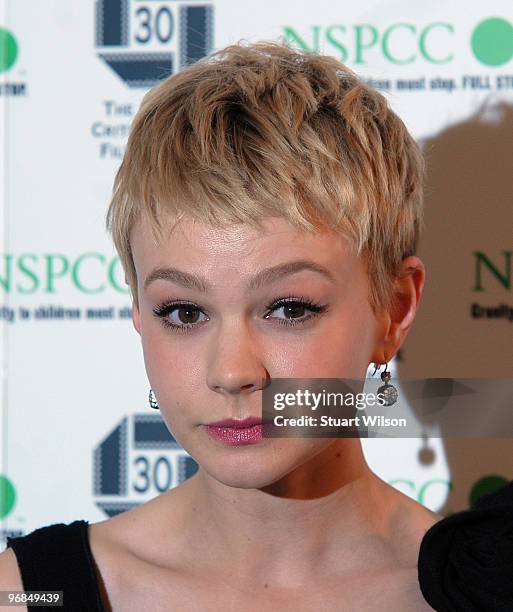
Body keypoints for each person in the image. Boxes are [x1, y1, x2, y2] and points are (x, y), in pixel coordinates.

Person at [1, 39, 510, 612]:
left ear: (393, 309)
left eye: (290, 308)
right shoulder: (32, 593)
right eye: (184, 312)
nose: (233, 371)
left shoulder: (480, 596)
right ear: (139, 313)